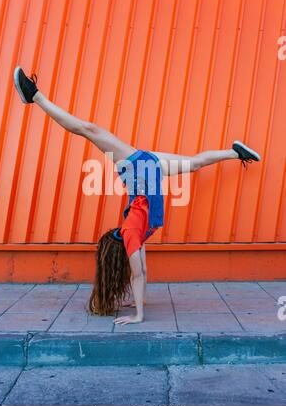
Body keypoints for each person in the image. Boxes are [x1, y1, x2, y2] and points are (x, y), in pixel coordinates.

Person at [14, 66, 261, 325]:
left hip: (146, 170)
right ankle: (35, 97)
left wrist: (139, 300)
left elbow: (141, 271)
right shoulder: (132, 232)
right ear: (114, 242)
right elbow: (138, 275)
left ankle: (236, 153)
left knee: (195, 164)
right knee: (87, 129)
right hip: (138, 166)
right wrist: (138, 316)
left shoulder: (138, 234)